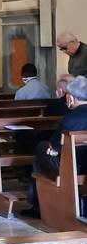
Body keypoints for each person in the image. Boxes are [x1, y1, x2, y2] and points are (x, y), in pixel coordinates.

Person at [24, 76, 87, 218]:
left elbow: (53, 148)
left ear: (71, 98)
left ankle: (37, 205)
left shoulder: (70, 119)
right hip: (85, 164)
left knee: (41, 149)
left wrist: (50, 148)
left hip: (70, 165)